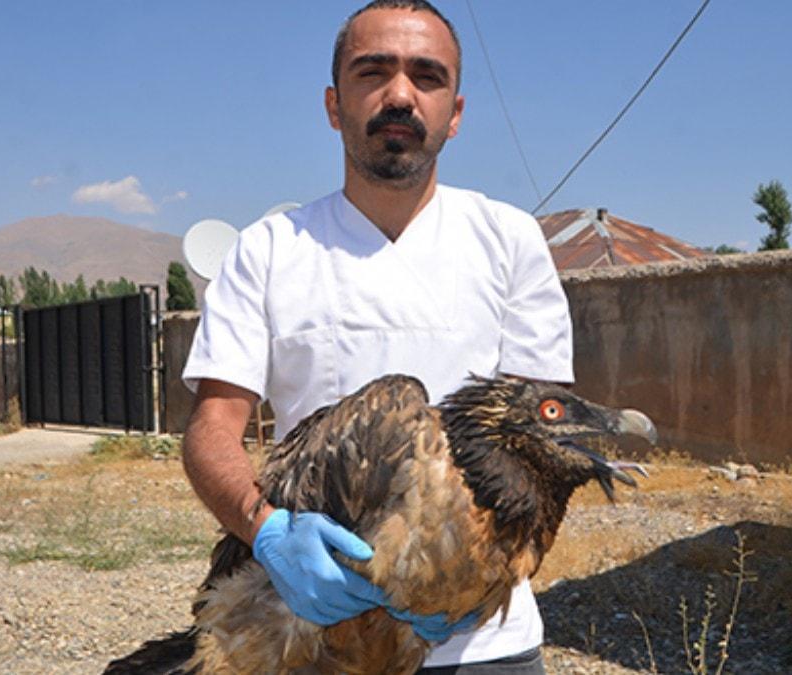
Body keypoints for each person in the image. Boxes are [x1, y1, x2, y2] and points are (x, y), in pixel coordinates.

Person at [180, 1, 573, 671]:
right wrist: (266, 528)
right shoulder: (269, 249)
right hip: (310, 634)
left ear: (456, 111)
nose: (399, 94)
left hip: (483, 644)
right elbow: (213, 428)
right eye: (373, 72)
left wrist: (472, 578)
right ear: (334, 105)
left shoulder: (510, 240)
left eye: (427, 76)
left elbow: (545, 447)